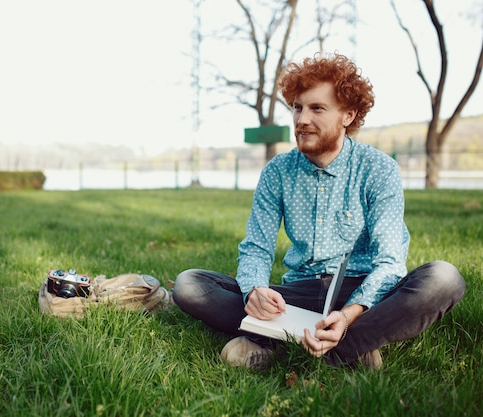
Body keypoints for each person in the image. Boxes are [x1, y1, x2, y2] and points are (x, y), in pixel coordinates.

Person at [172, 53, 466, 370]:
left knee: (444, 279)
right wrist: (254, 291)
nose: (301, 119)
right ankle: (351, 348)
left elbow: (390, 260)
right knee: (190, 285)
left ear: (348, 115)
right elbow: (257, 247)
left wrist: (352, 311)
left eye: (317, 108)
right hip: (300, 291)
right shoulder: (278, 171)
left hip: (362, 291)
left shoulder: (379, 169)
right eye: (298, 107)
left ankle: (324, 344)